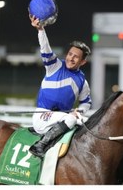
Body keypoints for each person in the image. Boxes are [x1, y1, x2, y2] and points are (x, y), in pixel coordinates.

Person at [28, 14, 92, 158]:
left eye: (76, 57)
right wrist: (41, 30)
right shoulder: (55, 65)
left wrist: (80, 111)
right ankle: (40, 146)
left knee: (85, 124)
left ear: (83, 62)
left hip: (60, 118)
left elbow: (86, 102)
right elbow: (45, 49)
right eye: (70, 54)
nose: (71, 58)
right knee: (70, 119)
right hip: (43, 116)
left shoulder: (82, 81)